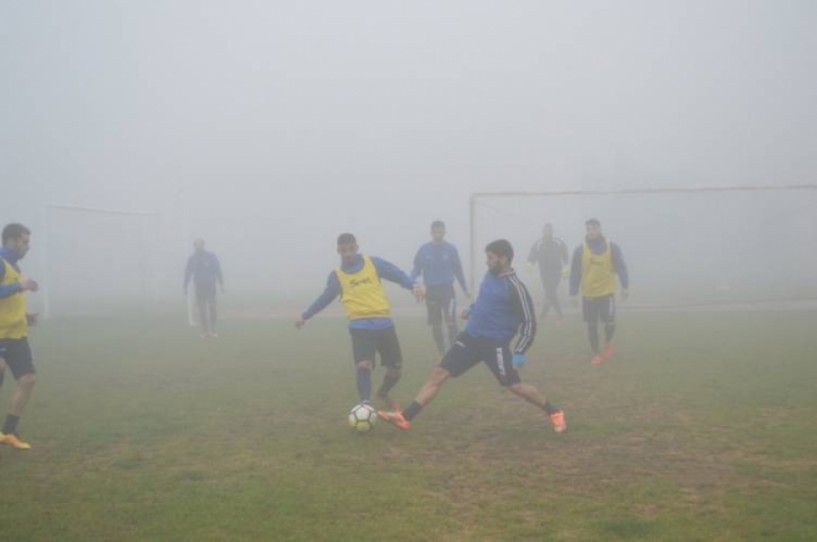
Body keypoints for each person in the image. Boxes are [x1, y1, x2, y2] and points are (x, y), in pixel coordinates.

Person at [378, 239, 566, 433]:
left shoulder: (515, 287)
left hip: (495, 344)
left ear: (504, 258)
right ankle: (405, 417)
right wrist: (472, 309)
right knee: (439, 374)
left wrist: (519, 351)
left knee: (515, 386)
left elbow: (529, 322)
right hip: (470, 338)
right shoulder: (490, 275)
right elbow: (486, 300)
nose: (487, 261)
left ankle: (554, 412)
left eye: (491, 257)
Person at [295, 233, 424, 409]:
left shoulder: (373, 263)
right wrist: (306, 315)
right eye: (343, 250)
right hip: (359, 326)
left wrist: (413, 285)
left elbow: (396, 273)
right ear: (338, 251)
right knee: (364, 365)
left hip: (384, 323)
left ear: (356, 247)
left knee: (396, 369)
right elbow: (325, 298)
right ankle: (365, 405)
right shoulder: (337, 276)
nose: (347, 254)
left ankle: (383, 392)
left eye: (350, 249)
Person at [0, 223, 40, 450]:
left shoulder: (13, 266)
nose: (28, 247)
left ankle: (8, 431)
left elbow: (8, 303)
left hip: (16, 334)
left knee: (28, 379)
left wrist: (25, 317)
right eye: (25, 242)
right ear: (12, 241)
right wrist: (21, 286)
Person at [569, 219, 629, 365]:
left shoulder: (612, 247)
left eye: (594, 228)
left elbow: (621, 267)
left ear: (600, 229)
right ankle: (596, 353)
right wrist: (573, 293)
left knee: (609, 323)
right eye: (588, 229)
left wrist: (625, 286)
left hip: (607, 293)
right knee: (592, 325)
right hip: (589, 294)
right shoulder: (580, 250)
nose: (591, 231)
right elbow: (575, 272)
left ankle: (608, 341)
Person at [410, 220, 470, 356]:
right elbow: (416, 269)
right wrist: (410, 283)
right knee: (436, 324)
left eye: (440, 231)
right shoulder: (424, 250)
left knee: (451, 321)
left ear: (444, 232)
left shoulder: (451, 249)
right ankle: (441, 353)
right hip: (431, 291)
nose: (438, 234)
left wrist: (465, 288)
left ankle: (454, 353)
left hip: (447, 291)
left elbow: (458, 270)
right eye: (435, 232)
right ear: (431, 232)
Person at [527, 223, 569, 322]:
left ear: (552, 231)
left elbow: (565, 256)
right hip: (544, 273)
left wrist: (565, 270)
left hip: (556, 272)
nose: (547, 232)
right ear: (543, 231)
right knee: (550, 293)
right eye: (545, 230)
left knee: (551, 291)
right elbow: (532, 256)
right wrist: (529, 266)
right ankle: (550, 315)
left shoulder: (558, 242)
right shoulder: (539, 243)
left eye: (549, 230)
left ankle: (551, 315)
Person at [184, 239, 224, 338]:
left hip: (210, 287)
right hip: (199, 288)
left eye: (200, 245)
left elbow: (217, 270)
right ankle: (205, 330)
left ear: (203, 245)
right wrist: (185, 285)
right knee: (202, 309)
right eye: (196, 245)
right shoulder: (192, 259)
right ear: (194, 246)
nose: (198, 247)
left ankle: (213, 329)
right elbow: (187, 273)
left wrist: (221, 283)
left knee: (212, 308)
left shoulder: (211, 257)